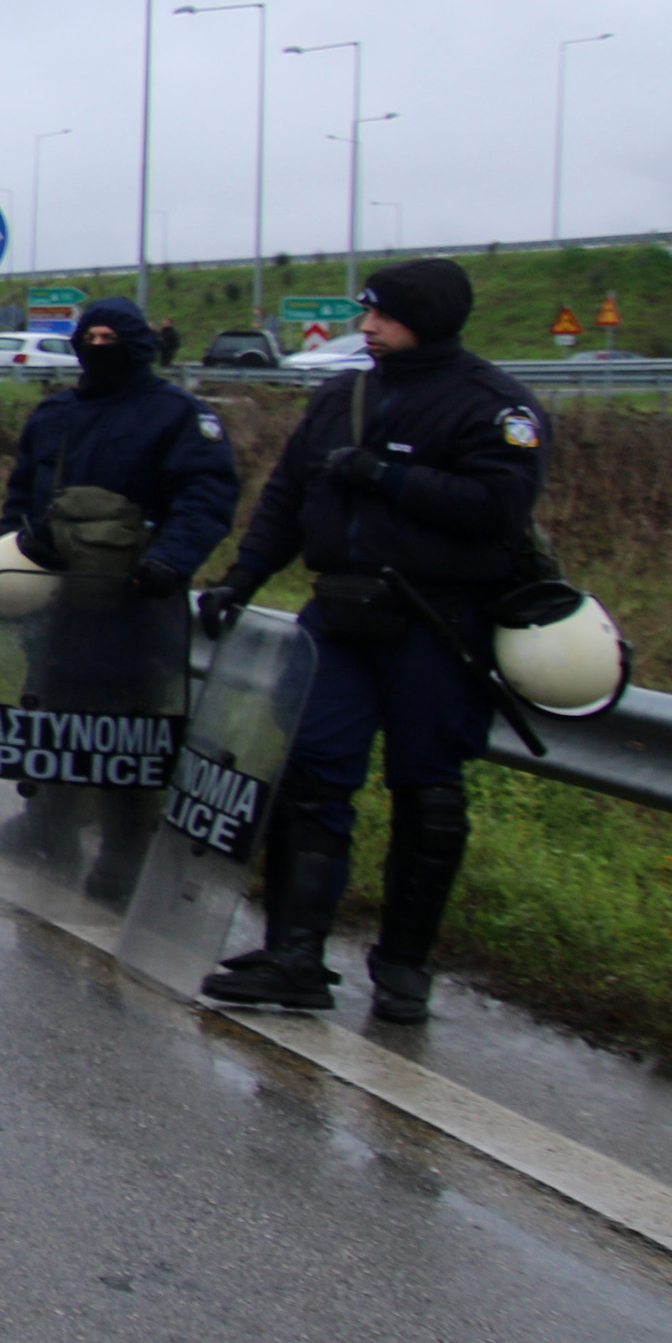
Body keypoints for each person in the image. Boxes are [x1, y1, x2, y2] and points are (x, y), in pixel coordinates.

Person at [194, 259, 546, 1026]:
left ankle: (403, 968)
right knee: (310, 778)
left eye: (382, 315)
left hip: (434, 621)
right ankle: (293, 957)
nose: (367, 327)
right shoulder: (340, 396)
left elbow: (497, 507)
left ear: (426, 317)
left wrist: (385, 477)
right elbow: (287, 497)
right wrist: (242, 577)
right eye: (366, 314)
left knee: (427, 791)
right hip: (339, 620)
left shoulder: (492, 407)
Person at [0, 296, 239, 896]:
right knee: (50, 717)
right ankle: (46, 828)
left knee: (133, 738)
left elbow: (207, 498)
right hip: (59, 603)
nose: (100, 347)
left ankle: (125, 856)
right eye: (90, 337)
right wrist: (13, 560)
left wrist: (169, 562)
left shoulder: (179, 416)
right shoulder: (54, 416)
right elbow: (22, 495)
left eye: (112, 337)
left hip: (139, 607)